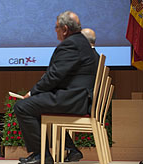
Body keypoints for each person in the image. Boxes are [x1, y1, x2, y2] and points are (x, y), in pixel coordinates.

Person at [14, 11, 98, 164]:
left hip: (73, 99)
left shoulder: (70, 44)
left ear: (65, 29)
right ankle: (45, 154)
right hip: (78, 97)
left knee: (22, 106)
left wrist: (32, 93)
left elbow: (54, 76)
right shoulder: (81, 42)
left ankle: (42, 156)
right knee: (35, 105)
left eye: (56, 27)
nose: (55, 31)